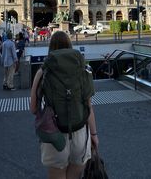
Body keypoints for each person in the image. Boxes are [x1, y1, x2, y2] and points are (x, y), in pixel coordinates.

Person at [30, 31, 99, 179]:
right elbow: (89, 107)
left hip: (54, 134)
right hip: (80, 132)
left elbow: (33, 109)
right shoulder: (82, 69)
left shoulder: (43, 71)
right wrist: (94, 134)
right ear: (69, 45)